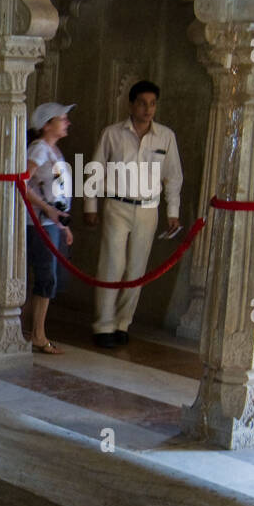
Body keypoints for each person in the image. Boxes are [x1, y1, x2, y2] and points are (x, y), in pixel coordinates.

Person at [84, 80, 183, 348]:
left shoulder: (165, 136)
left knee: (136, 269)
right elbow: (95, 169)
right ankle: (103, 324)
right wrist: (90, 206)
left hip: (149, 209)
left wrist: (172, 211)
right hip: (117, 205)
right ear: (131, 104)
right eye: (142, 103)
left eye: (152, 104)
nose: (147, 109)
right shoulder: (112, 133)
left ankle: (122, 323)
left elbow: (173, 176)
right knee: (112, 265)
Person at [23, 103, 77, 355]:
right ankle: (37, 334)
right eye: (62, 119)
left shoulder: (53, 150)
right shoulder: (39, 149)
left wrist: (62, 224)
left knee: (51, 277)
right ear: (47, 124)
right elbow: (22, 183)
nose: (67, 122)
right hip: (39, 223)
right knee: (45, 276)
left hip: (50, 223)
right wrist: (47, 209)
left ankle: (35, 331)